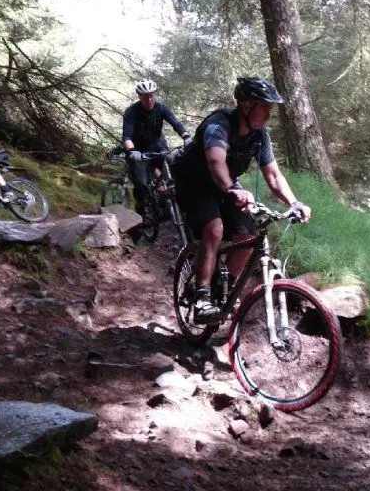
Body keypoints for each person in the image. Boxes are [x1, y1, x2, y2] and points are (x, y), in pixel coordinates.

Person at [173, 76, 311, 323]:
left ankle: (224, 290)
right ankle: (202, 298)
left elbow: (273, 175)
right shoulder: (218, 125)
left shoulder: (260, 136)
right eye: (265, 107)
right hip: (194, 182)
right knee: (214, 229)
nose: (269, 113)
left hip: (226, 185)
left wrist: (294, 203)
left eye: (271, 108)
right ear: (246, 106)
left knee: (248, 236)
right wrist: (232, 189)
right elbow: (215, 162)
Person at [122, 80, 191, 214]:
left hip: (157, 145)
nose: (149, 99)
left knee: (172, 171)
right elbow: (127, 136)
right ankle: (142, 214)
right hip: (138, 150)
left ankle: (168, 204)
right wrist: (131, 150)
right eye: (145, 96)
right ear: (139, 97)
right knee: (141, 183)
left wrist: (187, 137)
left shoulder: (161, 108)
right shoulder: (131, 112)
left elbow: (175, 123)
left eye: (151, 95)